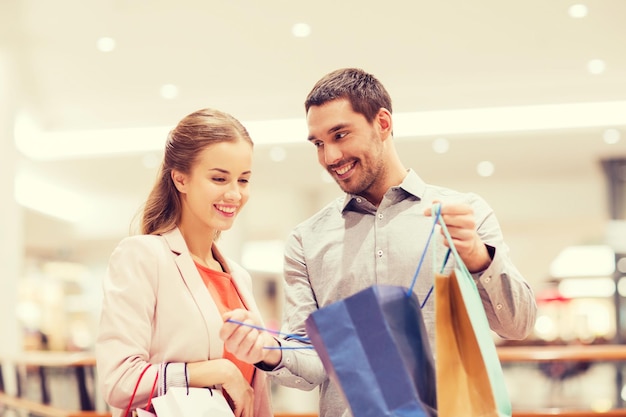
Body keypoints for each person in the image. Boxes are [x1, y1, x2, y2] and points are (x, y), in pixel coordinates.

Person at [220, 68, 537, 417]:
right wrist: (270, 350)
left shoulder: (465, 213)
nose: (330, 157)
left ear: (383, 123)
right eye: (319, 143)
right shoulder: (306, 241)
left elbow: (517, 324)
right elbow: (310, 365)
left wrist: (477, 256)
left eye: (340, 134)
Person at [96, 108, 272, 417]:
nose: (234, 193)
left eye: (243, 180)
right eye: (219, 178)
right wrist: (217, 371)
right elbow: (119, 381)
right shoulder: (143, 256)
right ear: (180, 178)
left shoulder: (239, 277)